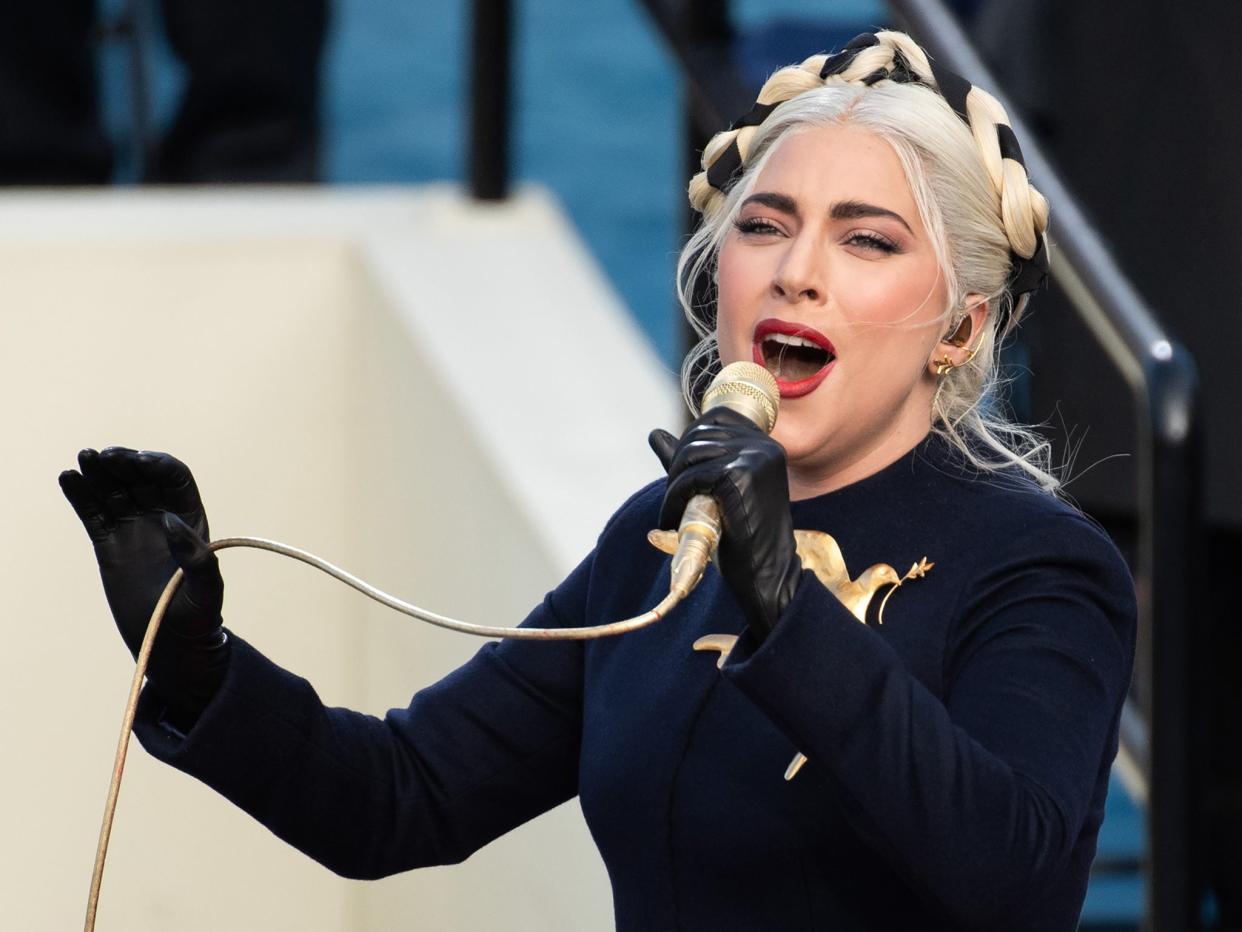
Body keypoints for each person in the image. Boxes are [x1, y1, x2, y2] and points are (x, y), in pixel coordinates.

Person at [60, 31, 1135, 930]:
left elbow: (1018, 880)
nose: (796, 267)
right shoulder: (663, 542)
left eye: (866, 240)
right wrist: (198, 661)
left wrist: (787, 606)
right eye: (764, 225)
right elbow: (398, 796)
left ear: (960, 324)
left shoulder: (1038, 564)